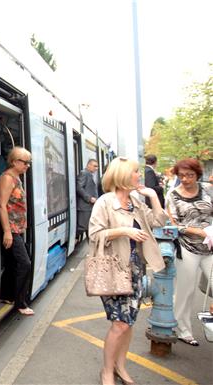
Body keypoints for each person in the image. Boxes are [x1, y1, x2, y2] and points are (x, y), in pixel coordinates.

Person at [89, 157, 168, 385]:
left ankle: (120, 367)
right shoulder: (105, 201)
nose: (138, 176)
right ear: (123, 175)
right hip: (114, 269)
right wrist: (124, 230)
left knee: (129, 322)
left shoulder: (135, 200)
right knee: (120, 323)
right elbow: (94, 234)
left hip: (136, 269)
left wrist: (153, 197)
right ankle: (106, 371)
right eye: (135, 172)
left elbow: (158, 221)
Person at [165, 158, 213, 347]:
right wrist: (199, 231)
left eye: (190, 175)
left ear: (197, 175)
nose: (185, 179)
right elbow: (174, 224)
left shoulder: (208, 190)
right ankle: (183, 330)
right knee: (185, 291)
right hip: (187, 248)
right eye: (182, 176)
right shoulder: (172, 195)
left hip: (210, 247)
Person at [0, 146, 34, 316]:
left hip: (16, 229)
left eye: (29, 162)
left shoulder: (17, 178)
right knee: (24, 264)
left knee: (13, 263)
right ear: (13, 161)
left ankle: (6, 295)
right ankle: (20, 302)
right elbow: (2, 205)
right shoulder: (7, 178)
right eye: (24, 162)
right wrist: (7, 231)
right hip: (10, 230)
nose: (27, 165)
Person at [76, 159, 99, 240]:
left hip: (88, 207)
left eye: (97, 166)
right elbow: (79, 188)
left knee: (90, 230)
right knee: (88, 229)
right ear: (88, 165)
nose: (97, 168)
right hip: (85, 207)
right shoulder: (84, 173)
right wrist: (89, 198)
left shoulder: (89, 174)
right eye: (95, 166)